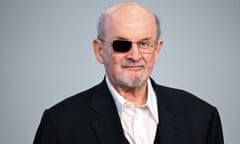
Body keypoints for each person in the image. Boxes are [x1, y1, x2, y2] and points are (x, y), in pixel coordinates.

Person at [33, 2, 224, 144]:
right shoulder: (61, 124)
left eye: (144, 43)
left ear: (157, 50)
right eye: (121, 45)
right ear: (99, 51)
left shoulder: (202, 117)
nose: (134, 55)